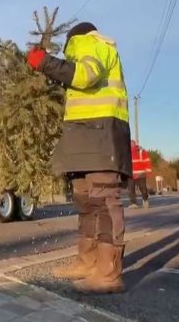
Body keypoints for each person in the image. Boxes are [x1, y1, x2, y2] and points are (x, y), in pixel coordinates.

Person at [27, 22, 131, 295]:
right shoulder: (83, 50)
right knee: (86, 201)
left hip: (101, 133)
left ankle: (109, 273)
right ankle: (88, 262)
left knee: (104, 201)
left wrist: (45, 62)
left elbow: (85, 76)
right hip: (84, 135)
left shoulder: (94, 43)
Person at [128, 140, 151, 209]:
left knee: (143, 188)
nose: (130, 145)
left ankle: (145, 200)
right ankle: (133, 203)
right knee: (131, 189)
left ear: (135, 144)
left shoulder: (142, 152)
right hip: (130, 174)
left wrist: (148, 172)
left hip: (141, 174)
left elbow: (147, 161)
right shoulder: (127, 153)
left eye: (132, 144)